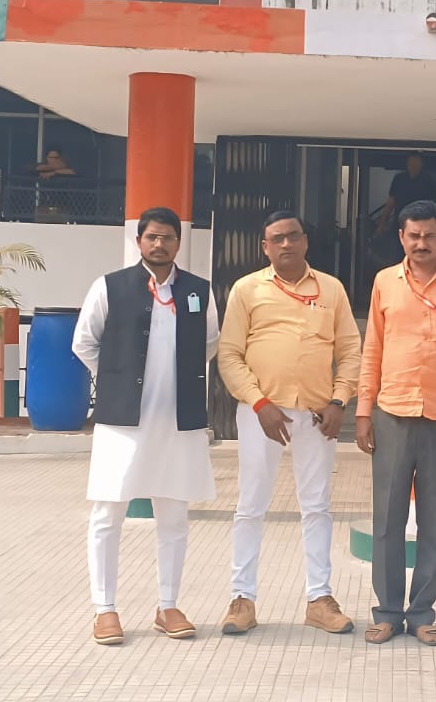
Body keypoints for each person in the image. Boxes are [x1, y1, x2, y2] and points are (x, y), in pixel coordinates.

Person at [72, 206, 219, 646]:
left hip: (178, 421)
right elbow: (84, 342)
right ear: (139, 241)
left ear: (179, 243)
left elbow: (210, 342)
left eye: (168, 237)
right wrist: (119, 381)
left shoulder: (198, 291)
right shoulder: (110, 287)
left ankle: (168, 605)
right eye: (152, 237)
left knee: (174, 515)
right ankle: (105, 609)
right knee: (107, 514)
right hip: (123, 423)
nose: (160, 244)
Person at [217, 210, 361, 636]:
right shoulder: (246, 289)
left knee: (317, 506)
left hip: (317, 415)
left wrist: (339, 400)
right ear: (265, 247)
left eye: (293, 236)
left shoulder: (331, 289)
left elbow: (350, 351)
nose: (286, 244)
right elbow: (229, 355)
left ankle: (319, 599)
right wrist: (259, 403)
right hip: (262, 413)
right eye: (276, 239)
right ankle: (242, 599)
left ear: (305, 241)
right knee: (251, 505)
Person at [356, 200, 436, 647]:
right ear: (401, 237)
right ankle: (388, 612)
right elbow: (373, 347)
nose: (421, 243)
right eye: (413, 235)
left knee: (435, 520)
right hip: (392, 412)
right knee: (387, 520)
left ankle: (423, 612)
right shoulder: (384, 282)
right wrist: (363, 410)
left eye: (429, 235)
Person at [374, 153, 436, 239]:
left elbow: (432, 207)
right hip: (399, 225)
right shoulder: (399, 179)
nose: (413, 164)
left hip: (420, 227)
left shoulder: (428, 181)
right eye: (411, 161)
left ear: (422, 163)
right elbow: (391, 203)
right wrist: (382, 224)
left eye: (416, 161)